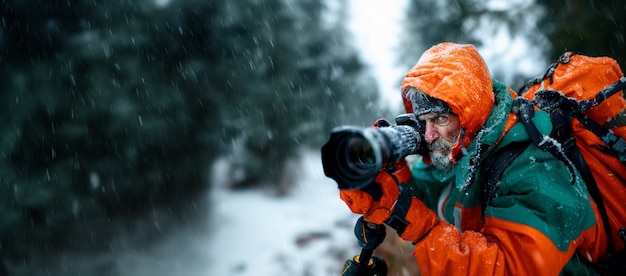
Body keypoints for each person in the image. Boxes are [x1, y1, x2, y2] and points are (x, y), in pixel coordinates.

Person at [338, 42, 610, 275]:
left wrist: (418, 226)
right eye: (424, 122)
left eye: (440, 118)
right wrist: (394, 182)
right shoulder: (465, 150)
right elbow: (437, 196)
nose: (429, 135)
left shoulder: (534, 169)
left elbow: (507, 269)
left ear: (470, 112)